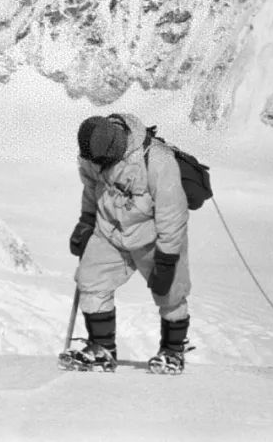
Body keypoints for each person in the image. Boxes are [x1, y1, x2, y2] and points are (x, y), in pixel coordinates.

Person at [64, 113, 191, 374]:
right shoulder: (91, 154)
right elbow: (91, 188)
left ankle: (173, 351)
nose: (96, 165)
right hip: (110, 229)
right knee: (90, 281)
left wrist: (166, 259)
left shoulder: (158, 160)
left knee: (170, 293)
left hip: (153, 236)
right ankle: (102, 349)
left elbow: (172, 214)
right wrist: (87, 221)